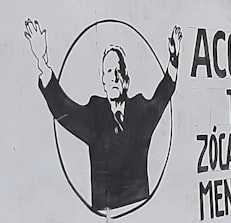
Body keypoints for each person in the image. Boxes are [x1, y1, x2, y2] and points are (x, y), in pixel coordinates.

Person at [23, 19, 183, 212]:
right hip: (105, 213)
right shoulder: (94, 115)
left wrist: (173, 60)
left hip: (142, 208)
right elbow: (62, 108)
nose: (114, 76)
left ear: (126, 80)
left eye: (118, 71)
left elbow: (162, 97)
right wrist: (42, 62)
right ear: (103, 81)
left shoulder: (140, 111)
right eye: (109, 72)